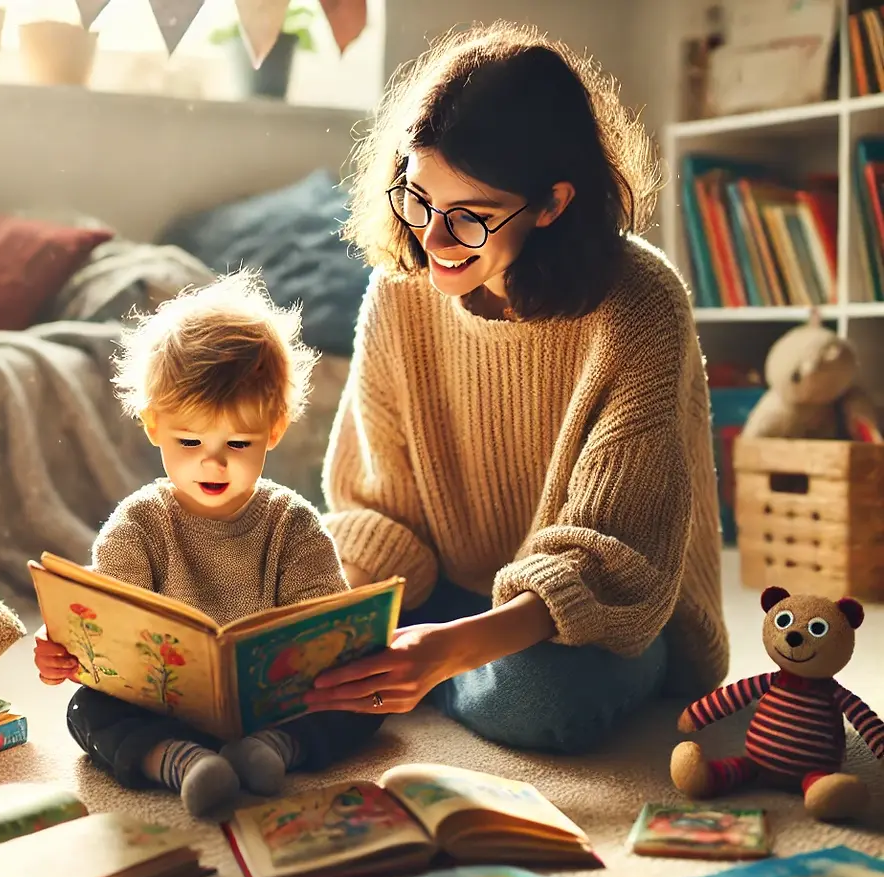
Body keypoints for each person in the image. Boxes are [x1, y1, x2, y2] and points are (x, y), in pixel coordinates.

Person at [303, 20, 730, 753]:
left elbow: (614, 559)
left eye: (467, 217)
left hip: (596, 616)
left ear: (552, 203)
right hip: (446, 589)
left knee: (532, 699)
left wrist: (441, 653)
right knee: (300, 636)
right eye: (416, 196)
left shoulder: (640, 307)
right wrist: (326, 610)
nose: (431, 240)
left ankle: (422, 675)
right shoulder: (402, 290)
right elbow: (380, 511)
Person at [33, 272, 381, 815]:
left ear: (274, 429)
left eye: (237, 443)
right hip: (164, 708)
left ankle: (274, 751)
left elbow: (326, 625)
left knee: (366, 702)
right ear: (152, 426)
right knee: (86, 710)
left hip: (275, 709)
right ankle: (181, 763)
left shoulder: (292, 524)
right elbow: (100, 617)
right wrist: (62, 647)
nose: (212, 461)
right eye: (189, 440)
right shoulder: (140, 524)